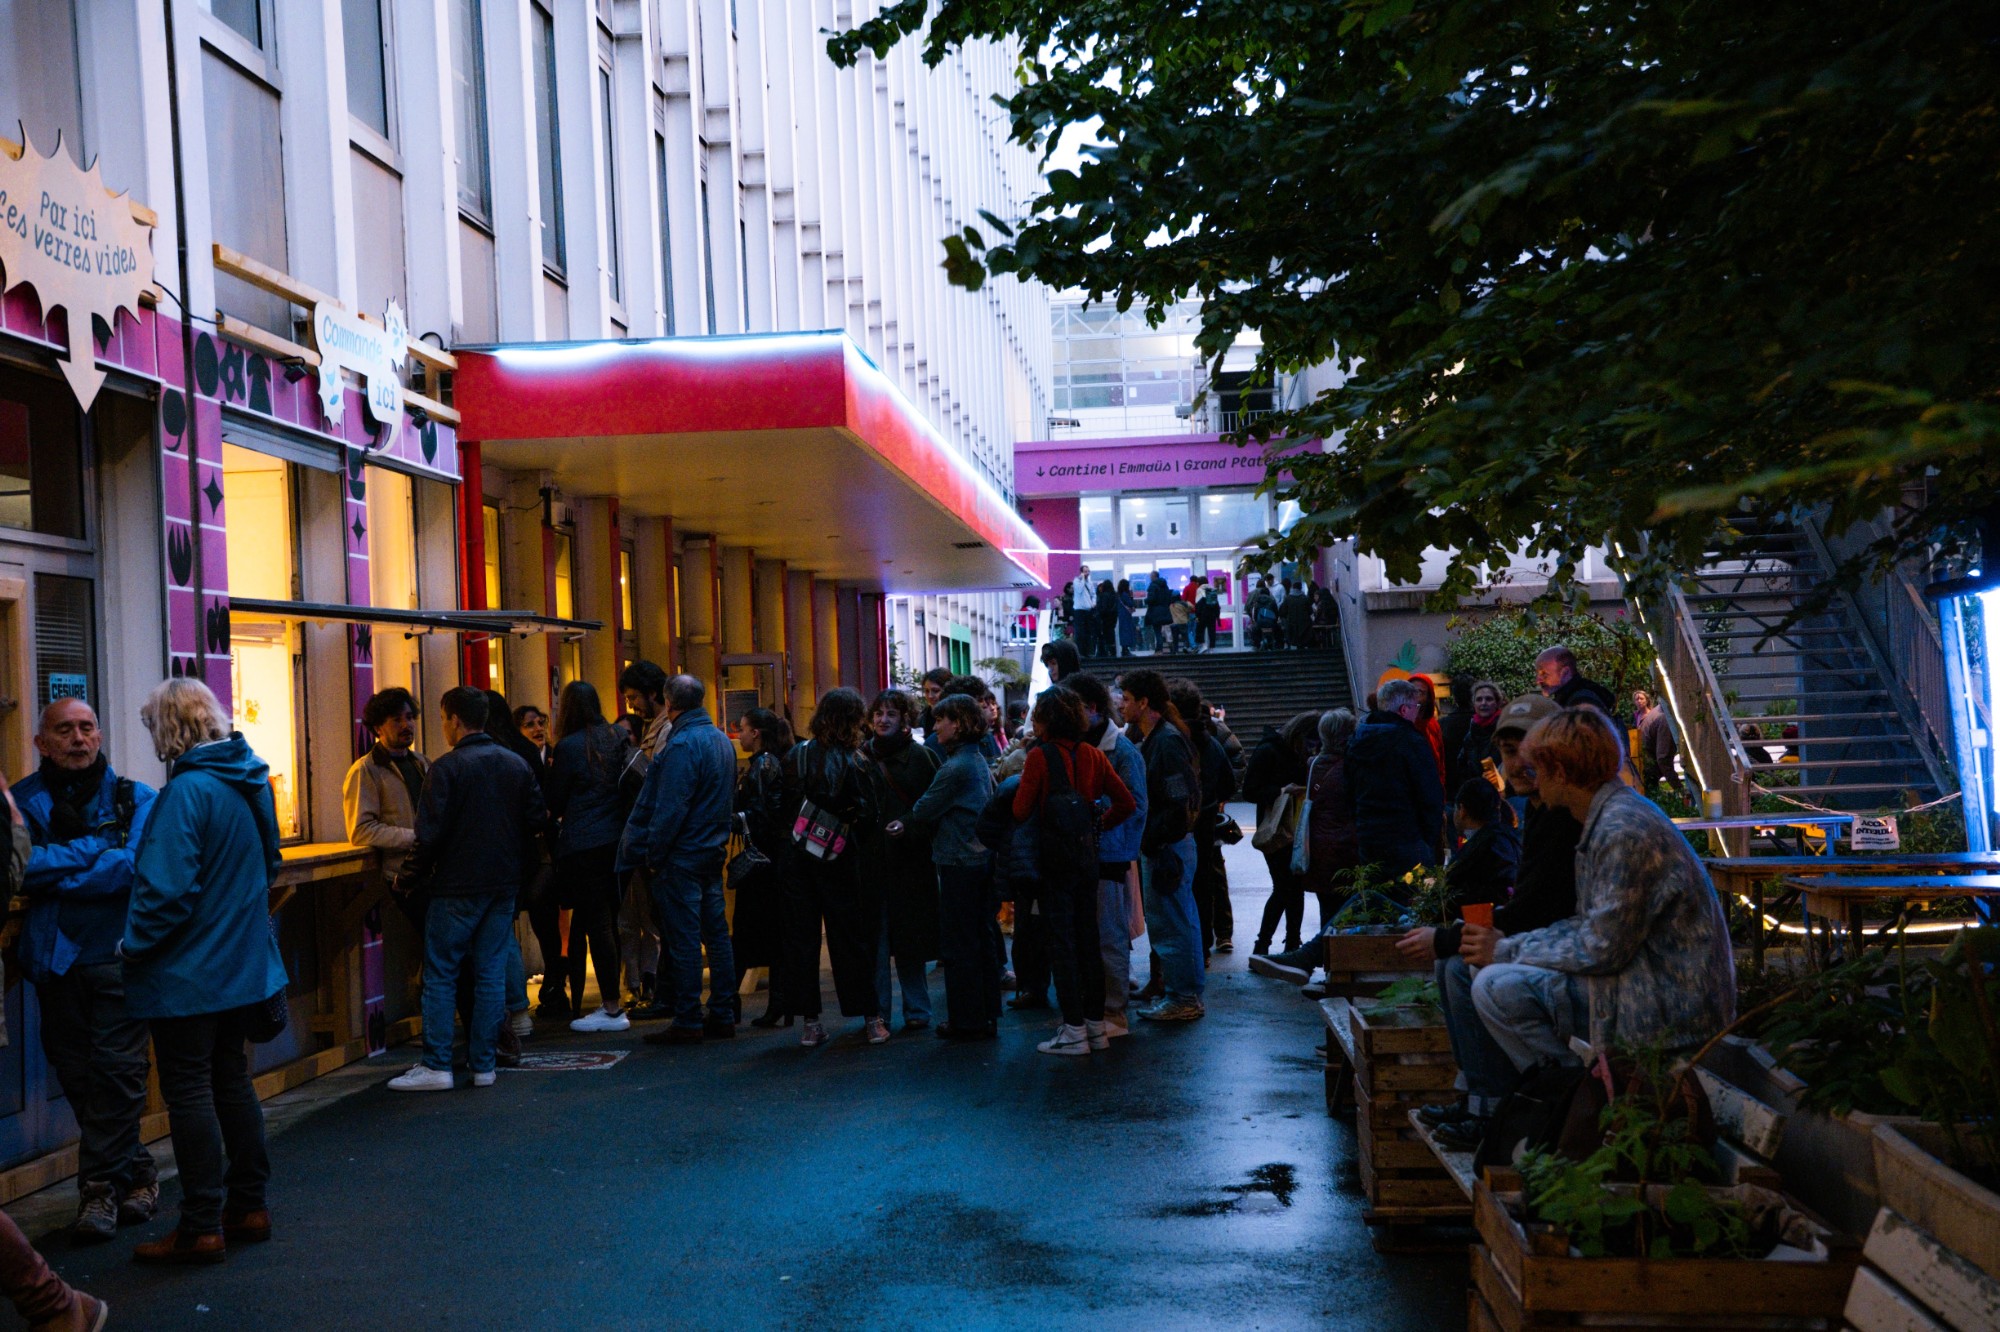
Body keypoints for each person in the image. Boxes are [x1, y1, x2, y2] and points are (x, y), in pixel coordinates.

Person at [1465, 708, 1735, 1092]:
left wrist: (1506, 950)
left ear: (1560, 772)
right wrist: (1507, 948)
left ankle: (1574, 1098)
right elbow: (1590, 928)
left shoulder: (1621, 829)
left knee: (1496, 988)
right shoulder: (1605, 817)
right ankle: (1555, 1098)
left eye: (1538, 768)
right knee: (1489, 973)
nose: (1532, 777)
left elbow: (1603, 947)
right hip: (1642, 985)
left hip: (1670, 1008)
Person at [123, 679, 289, 1263]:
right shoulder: (249, 782)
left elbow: (165, 893)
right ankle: (249, 1206)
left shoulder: (187, 792)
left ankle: (200, 1226)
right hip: (242, 967)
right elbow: (271, 865)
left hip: (187, 974)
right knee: (231, 1081)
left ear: (169, 729)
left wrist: (131, 947)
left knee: (189, 1090)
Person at [14, 699, 160, 1243]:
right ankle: (139, 1173)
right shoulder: (21, 802)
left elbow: (132, 866)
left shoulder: (136, 798)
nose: (78, 738)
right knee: (77, 1075)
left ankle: (99, 1192)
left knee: (118, 1076)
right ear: (41, 743)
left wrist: (60, 875)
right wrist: (97, 848)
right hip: (56, 957)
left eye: (87, 727)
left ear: (99, 735)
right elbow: (20, 868)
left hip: (120, 956)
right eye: (64, 730)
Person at [1403, 693, 1578, 1145]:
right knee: (1454, 964)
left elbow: (1541, 909)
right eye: (1506, 752)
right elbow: (1532, 905)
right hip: (1559, 944)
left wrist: (1454, 937)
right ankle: (1476, 1096)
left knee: (1470, 970)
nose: (1515, 763)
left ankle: (1498, 1108)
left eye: (1525, 750)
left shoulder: (1568, 811)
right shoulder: (1538, 809)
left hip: (1582, 963)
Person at [389, 686, 546, 1094]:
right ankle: (484, 1064)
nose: (443, 726)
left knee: (442, 972)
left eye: (444, 718)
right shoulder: (515, 763)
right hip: (503, 883)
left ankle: (437, 1064)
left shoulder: (446, 769)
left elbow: (428, 836)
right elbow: (536, 820)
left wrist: (407, 877)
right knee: (491, 973)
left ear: (455, 720)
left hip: (456, 885)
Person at [1010, 688, 1137, 1055]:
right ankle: (1096, 1027)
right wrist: (1096, 826)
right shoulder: (1094, 755)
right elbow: (1126, 803)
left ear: (1047, 720)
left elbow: (1020, 810)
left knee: (1061, 944)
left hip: (1053, 863)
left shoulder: (1039, 757)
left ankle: (1073, 1030)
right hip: (1087, 860)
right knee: (1088, 941)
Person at [621, 675, 739, 1045]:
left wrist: (654, 854)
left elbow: (670, 808)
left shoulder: (682, 743)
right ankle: (722, 1012)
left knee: (685, 939)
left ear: (669, 704)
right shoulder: (721, 740)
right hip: (711, 850)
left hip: (682, 854)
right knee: (716, 936)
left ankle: (688, 1017)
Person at [782, 688, 887, 1047]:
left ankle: (810, 1024)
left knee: (802, 939)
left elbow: (781, 805)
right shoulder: (858, 760)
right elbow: (870, 814)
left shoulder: (797, 754)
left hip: (798, 855)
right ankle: (871, 1018)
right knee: (850, 938)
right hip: (840, 856)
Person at [895, 692, 1000, 1039]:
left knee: (959, 943)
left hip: (959, 860)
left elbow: (924, 808)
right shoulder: (976, 759)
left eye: (941, 720)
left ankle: (966, 1019)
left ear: (958, 724)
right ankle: (984, 1014)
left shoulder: (954, 767)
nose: (935, 726)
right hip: (979, 858)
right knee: (980, 938)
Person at [544, 681, 635, 1033]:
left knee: (596, 924)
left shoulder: (568, 746)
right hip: (619, 841)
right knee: (608, 920)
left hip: (583, 844)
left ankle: (611, 1006)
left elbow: (555, 800)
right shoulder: (618, 736)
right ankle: (613, 1000)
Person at [1063, 674, 1147, 1037]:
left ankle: (1114, 1012)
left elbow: (1135, 805)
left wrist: (1094, 823)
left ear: (1092, 708)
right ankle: (1097, 1010)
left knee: (1109, 935)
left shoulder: (1121, 751)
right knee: (1088, 935)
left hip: (1110, 854)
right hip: (1084, 853)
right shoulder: (1077, 745)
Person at [1118, 670, 1205, 1020]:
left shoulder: (1165, 741)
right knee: (1179, 921)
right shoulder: (1159, 737)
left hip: (1168, 846)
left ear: (1144, 702)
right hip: (1169, 843)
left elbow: (1179, 799)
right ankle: (1184, 995)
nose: (1120, 705)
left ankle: (1183, 998)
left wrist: (1154, 838)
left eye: (1126, 699)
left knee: (1173, 924)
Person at [865, 689, 942, 1032]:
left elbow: (935, 805)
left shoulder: (921, 757)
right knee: (878, 941)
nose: (883, 720)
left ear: (904, 719)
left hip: (910, 861)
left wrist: (908, 825)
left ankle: (917, 1008)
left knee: (909, 939)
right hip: (873, 860)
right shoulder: (862, 755)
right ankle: (879, 1012)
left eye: (891, 714)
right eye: (878, 713)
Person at [483, 691, 544, 1052]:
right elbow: (538, 811)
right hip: (523, 853)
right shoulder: (523, 753)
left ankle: (512, 1012)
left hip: (491, 856)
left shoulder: (480, 757)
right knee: (506, 929)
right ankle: (518, 1012)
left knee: (499, 932)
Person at [734, 708, 796, 1027]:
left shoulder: (763, 764)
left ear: (756, 733)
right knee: (770, 933)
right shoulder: (770, 762)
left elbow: (762, 815)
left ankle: (731, 1003)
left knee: (751, 932)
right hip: (770, 860)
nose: (740, 735)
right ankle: (779, 1002)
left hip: (762, 862)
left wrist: (736, 820)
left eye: (743, 729)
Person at [616, 661, 671, 1012]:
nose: (632, 705)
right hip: (653, 837)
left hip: (658, 839)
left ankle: (667, 995)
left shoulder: (666, 730)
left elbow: (662, 784)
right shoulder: (657, 728)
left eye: (634, 697)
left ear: (653, 693)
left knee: (663, 921)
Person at [1348, 677, 1446, 871]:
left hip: (1368, 837)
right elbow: (1429, 794)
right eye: (1416, 706)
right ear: (1404, 710)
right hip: (1408, 838)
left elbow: (1349, 791)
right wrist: (1428, 839)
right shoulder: (1411, 742)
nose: (1417, 711)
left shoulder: (1357, 740)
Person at [1169, 680, 1236, 956]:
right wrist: (1210, 801)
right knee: (1203, 883)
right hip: (1205, 822)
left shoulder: (1170, 741)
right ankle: (1204, 946)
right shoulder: (1211, 742)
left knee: (1174, 889)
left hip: (1174, 826)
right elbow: (1229, 783)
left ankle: (1187, 949)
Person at [1242, 711, 1318, 955]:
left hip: (1296, 829)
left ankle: (1288, 943)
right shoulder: (1268, 751)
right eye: (1309, 742)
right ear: (1299, 735)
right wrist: (1282, 790)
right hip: (1276, 831)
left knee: (1293, 887)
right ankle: (1265, 944)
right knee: (1285, 887)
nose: (1312, 747)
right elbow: (1249, 791)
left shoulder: (1294, 752)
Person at [1441, 679, 1504, 798]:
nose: (1483, 703)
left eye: (1489, 699)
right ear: (1473, 704)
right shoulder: (1471, 734)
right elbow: (1462, 766)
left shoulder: (1504, 731)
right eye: (1479, 699)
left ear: (1497, 703)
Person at [1636, 690, 1688, 801]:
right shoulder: (1665, 719)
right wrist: (1679, 789)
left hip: (1643, 767)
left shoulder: (1659, 711)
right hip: (1647, 771)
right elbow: (1663, 759)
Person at [1534, 645, 1616, 713]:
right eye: (1538, 674)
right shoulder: (1569, 698)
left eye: (1544, 674)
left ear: (1565, 673)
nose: (1538, 681)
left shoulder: (1582, 703)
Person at [1410, 674, 1448, 788]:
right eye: (1411, 691)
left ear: (1428, 697)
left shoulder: (1433, 725)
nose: (1415, 696)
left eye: (1420, 692)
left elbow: (1441, 760)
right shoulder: (1402, 724)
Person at [1069, 565, 1099, 656]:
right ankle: (1080, 652)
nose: (1087, 573)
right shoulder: (1076, 581)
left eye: (1088, 571)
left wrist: (1093, 603)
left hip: (1088, 610)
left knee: (1088, 632)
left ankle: (1088, 652)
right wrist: (1082, 579)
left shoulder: (1090, 583)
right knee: (1080, 632)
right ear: (1081, 572)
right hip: (1079, 610)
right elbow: (1079, 590)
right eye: (1085, 571)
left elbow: (1093, 594)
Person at [1143, 573, 1175, 653]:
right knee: (1163, 630)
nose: (1150, 578)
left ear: (1154, 577)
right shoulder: (1165, 586)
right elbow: (1169, 598)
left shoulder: (1153, 585)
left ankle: (1159, 649)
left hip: (1155, 612)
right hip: (1164, 611)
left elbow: (1151, 599)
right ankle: (1171, 647)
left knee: (1157, 631)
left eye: (1151, 576)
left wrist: (1145, 601)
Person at [1246, 579, 1280, 650]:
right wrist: (1274, 621)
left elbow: (1250, 610)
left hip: (1259, 623)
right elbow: (1276, 612)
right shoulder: (1271, 598)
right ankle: (1276, 645)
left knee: (1251, 629)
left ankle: (1256, 645)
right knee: (1278, 630)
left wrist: (1254, 620)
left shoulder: (1254, 598)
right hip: (1271, 623)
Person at [1280, 576, 1312, 649]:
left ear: (1293, 588)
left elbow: (1283, 612)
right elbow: (1310, 611)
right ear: (1301, 588)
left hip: (1291, 623)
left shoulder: (1288, 598)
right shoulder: (1305, 598)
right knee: (1303, 641)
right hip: (1304, 624)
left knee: (1293, 640)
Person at [1113, 578, 1142, 656]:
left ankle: (1124, 649)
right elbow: (1131, 604)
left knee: (1123, 632)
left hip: (1121, 615)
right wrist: (1131, 597)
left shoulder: (1118, 595)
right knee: (1127, 631)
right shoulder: (1125, 595)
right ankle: (1125, 650)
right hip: (1126, 615)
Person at [1194, 582, 1221, 652]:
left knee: (1200, 630)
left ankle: (1203, 645)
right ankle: (1212, 648)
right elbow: (1217, 607)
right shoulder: (1213, 593)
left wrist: (1197, 616)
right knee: (1212, 632)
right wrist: (1217, 617)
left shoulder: (1200, 592)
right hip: (1212, 616)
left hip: (1203, 616)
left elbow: (1198, 606)